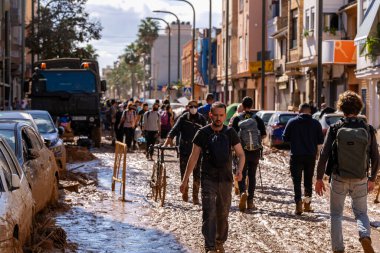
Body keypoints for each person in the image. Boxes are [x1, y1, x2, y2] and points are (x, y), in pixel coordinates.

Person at [315, 91, 379, 253]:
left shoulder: (335, 128)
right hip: (360, 178)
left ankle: (338, 249)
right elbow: (376, 156)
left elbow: (324, 155)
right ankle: (365, 236)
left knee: (336, 214)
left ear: (341, 108)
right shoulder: (368, 128)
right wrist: (372, 178)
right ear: (359, 108)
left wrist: (319, 178)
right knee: (361, 213)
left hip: (338, 177)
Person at [180, 102, 245, 253]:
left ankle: (219, 242)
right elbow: (194, 157)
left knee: (223, 213)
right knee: (209, 212)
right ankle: (209, 246)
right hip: (208, 178)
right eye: (215, 115)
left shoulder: (230, 133)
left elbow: (241, 154)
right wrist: (185, 180)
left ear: (225, 116)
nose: (218, 118)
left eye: (221, 115)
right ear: (210, 115)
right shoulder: (202, 132)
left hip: (226, 179)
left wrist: (240, 170)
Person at [282, 103, 324, 215]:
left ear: (299, 111)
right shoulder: (316, 123)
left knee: (296, 181)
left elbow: (285, 137)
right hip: (310, 156)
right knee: (308, 181)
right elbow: (320, 141)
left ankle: (298, 204)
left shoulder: (292, 122)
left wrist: (295, 140)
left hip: (296, 155)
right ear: (309, 112)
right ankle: (307, 204)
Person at [164, 100, 207, 204]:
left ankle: (195, 196)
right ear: (188, 107)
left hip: (197, 151)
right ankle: (185, 190)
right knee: (184, 173)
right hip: (184, 150)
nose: (193, 108)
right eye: (191, 106)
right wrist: (169, 138)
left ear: (197, 107)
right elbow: (175, 129)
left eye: (195, 106)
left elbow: (207, 132)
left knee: (197, 174)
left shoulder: (201, 119)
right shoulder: (183, 118)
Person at [232, 97, 266, 211]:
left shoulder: (238, 119)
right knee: (252, 176)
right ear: (251, 105)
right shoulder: (257, 119)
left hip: (242, 151)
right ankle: (250, 202)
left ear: (242, 105)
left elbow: (233, 135)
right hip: (255, 152)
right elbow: (264, 135)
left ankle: (242, 193)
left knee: (241, 172)